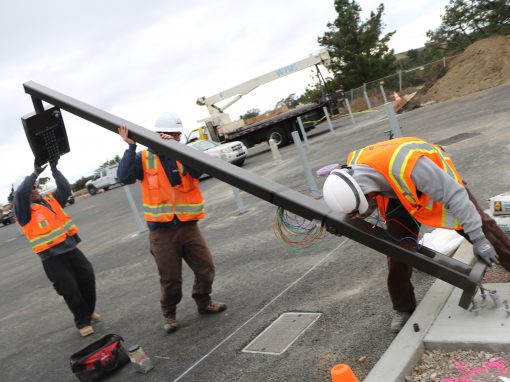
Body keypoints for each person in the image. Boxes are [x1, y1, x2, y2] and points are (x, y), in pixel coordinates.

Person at [322, 136, 510, 332]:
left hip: (439, 185)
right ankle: (403, 307)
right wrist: (341, 221)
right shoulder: (352, 174)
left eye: (368, 202)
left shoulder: (411, 167)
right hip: (396, 192)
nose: (368, 210)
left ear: (366, 189)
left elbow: (456, 195)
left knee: (483, 227)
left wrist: (479, 240)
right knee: (397, 252)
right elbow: (349, 196)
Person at [117, 112, 226, 334]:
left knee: (206, 269)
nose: (176, 139)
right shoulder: (143, 158)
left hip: (188, 226)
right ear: (160, 134)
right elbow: (124, 177)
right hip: (162, 232)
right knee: (171, 279)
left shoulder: (182, 154)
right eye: (172, 135)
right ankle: (169, 313)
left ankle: (204, 302)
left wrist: (183, 150)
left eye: (177, 135)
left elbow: (199, 169)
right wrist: (130, 148)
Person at [14, 159, 99, 337]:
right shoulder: (23, 211)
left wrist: (54, 169)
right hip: (52, 257)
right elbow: (21, 193)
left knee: (88, 277)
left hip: (70, 248)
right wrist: (35, 173)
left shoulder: (48, 200)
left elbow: (65, 189)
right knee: (70, 290)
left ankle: (89, 312)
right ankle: (82, 322)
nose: (34, 190)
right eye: (31, 188)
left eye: (35, 187)